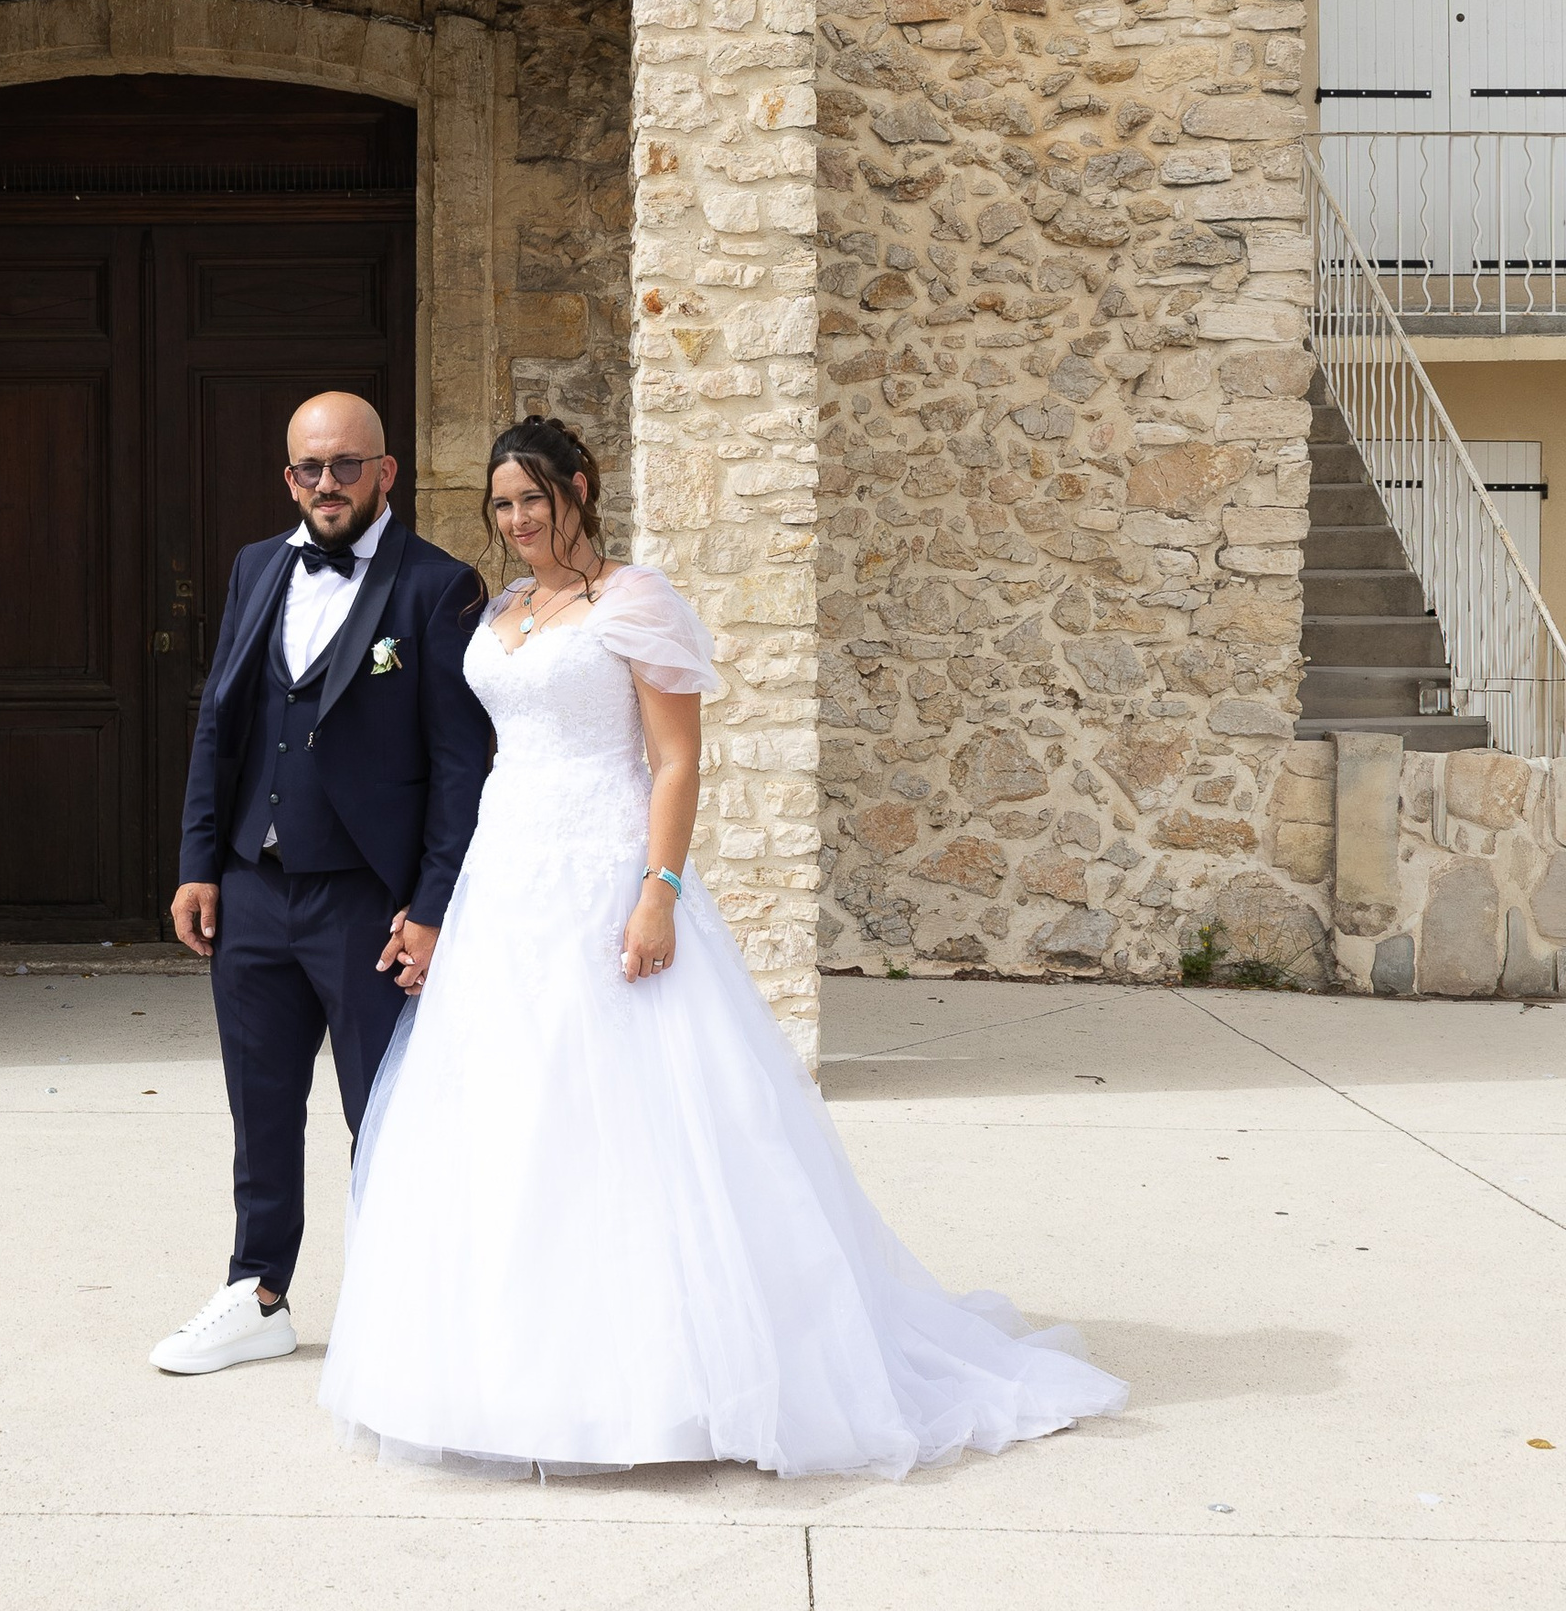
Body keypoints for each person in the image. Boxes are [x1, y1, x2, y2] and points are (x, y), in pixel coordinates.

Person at [316, 414, 1130, 1480]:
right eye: (502, 504)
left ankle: (668, 1384)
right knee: (505, 1113)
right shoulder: (506, 603)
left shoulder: (635, 598)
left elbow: (673, 761)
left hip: (603, 867)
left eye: (533, 498)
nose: (517, 521)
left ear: (581, 487)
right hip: (504, 877)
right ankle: (503, 1375)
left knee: (626, 1121)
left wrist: (656, 890)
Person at [150, 390, 488, 1377]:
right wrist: (196, 860)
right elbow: (221, 721)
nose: (326, 482)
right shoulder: (258, 566)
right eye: (309, 466)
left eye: (346, 464)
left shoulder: (438, 587)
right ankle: (256, 1291)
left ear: (387, 471)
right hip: (253, 887)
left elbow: (458, 765)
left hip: (366, 899)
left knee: (380, 1108)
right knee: (259, 1104)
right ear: (288, 475)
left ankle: (403, 1305)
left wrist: (429, 906)